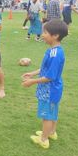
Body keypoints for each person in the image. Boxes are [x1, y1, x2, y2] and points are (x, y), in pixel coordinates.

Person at [22, 19, 68, 149]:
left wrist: (32, 82)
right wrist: (32, 73)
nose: (42, 35)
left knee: (47, 115)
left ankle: (43, 139)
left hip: (50, 89)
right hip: (53, 88)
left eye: (45, 32)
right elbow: (45, 69)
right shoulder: (54, 50)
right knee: (52, 112)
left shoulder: (55, 54)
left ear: (55, 36)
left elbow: (49, 76)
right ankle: (51, 133)